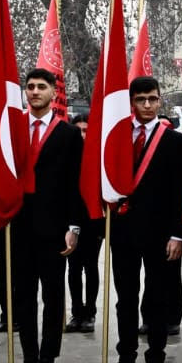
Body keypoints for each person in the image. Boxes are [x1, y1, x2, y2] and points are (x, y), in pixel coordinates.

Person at [109, 76, 182, 363]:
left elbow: (179, 191)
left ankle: (156, 359)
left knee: (157, 297)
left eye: (152, 99)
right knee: (125, 298)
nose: (146, 105)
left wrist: (178, 234)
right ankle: (125, 358)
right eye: (140, 99)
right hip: (124, 231)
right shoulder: (116, 136)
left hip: (160, 233)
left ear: (159, 101)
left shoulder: (173, 140)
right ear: (132, 101)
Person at [8, 69, 85, 363]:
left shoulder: (67, 134)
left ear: (54, 93)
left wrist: (74, 226)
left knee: (53, 295)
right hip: (19, 225)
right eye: (30, 87)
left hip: (54, 227)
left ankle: (48, 357)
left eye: (42, 87)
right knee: (22, 295)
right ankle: (27, 358)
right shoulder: (12, 130)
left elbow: (75, 183)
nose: (35, 92)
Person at [65, 113, 102, 334]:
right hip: (70, 221)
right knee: (73, 267)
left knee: (90, 266)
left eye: (86, 130)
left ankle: (90, 312)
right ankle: (76, 312)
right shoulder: (67, 155)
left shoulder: (97, 156)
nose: (81, 134)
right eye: (78, 130)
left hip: (92, 222)